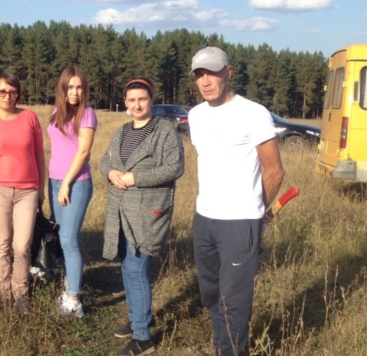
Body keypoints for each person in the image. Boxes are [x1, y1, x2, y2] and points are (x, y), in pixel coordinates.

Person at [189, 47, 285, 356]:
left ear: (229, 73)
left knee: (234, 300)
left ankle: (230, 351)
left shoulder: (253, 113)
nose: (206, 80)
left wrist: (259, 210)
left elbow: (275, 171)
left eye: (213, 72)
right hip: (204, 218)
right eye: (199, 74)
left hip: (240, 222)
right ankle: (224, 346)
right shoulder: (196, 115)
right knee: (210, 293)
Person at [99, 77, 184, 356]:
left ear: (151, 100)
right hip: (121, 210)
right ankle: (139, 318)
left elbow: (174, 167)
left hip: (147, 212)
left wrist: (136, 177)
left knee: (136, 269)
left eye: (142, 99)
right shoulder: (122, 131)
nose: (137, 105)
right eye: (131, 100)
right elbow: (106, 161)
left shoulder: (165, 131)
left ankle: (143, 338)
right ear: (126, 103)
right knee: (127, 265)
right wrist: (111, 173)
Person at [0, 73, 46, 310]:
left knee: (22, 245)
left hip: (28, 191)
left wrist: (41, 189)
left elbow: (39, 155)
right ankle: (4, 293)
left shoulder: (30, 117)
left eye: (12, 91)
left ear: (18, 93)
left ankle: (21, 293)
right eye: (2, 92)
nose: (7, 96)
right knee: (3, 245)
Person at [46, 65, 97, 318]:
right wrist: (55, 182)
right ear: (62, 88)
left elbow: (84, 151)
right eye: (70, 87)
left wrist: (66, 182)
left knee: (69, 239)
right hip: (54, 181)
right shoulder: (56, 112)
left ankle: (74, 301)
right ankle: (68, 287)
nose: (75, 92)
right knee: (60, 236)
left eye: (79, 87)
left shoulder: (87, 114)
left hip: (75, 183)